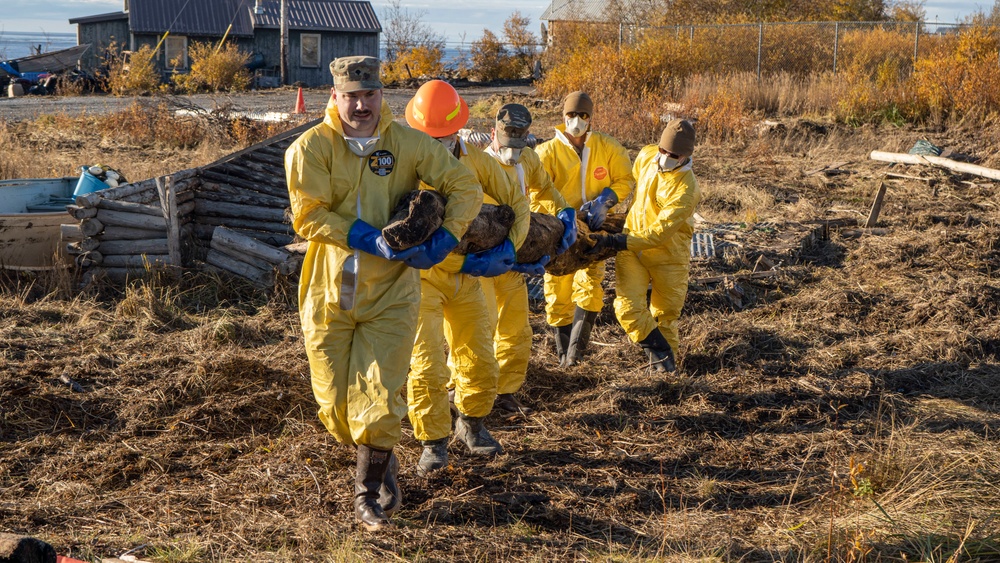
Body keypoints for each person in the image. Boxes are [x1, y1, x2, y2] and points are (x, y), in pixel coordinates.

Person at [284, 57, 482, 531]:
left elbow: (464, 184)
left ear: (381, 97)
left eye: (369, 94)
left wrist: (447, 237)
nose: (361, 105)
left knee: (378, 398)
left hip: (393, 291)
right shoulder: (309, 148)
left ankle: (367, 495)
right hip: (330, 289)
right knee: (334, 408)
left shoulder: (408, 144)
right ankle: (380, 455)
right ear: (335, 96)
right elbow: (307, 215)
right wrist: (364, 237)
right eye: (351, 95)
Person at [403, 80, 531, 475]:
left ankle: (472, 424)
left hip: (466, 282)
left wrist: (510, 247)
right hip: (419, 281)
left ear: (458, 127)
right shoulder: (405, 163)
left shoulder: (476, 160)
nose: (438, 142)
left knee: (479, 357)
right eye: (431, 136)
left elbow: (516, 200)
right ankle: (433, 441)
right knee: (427, 366)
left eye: (444, 135)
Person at [481, 103, 577, 415]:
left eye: (519, 145)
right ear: (494, 133)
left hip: (513, 262)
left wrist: (565, 212)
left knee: (516, 329)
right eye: (508, 145)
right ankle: (466, 392)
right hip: (479, 266)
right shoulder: (478, 167)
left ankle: (506, 392)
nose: (513, 152)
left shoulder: (528, 160)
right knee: (479, 329)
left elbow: (546, 189)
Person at [588, 119, 701, 373]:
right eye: (662, 150)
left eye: (672, 155)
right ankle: (660, 352)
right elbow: (634, 178)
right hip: (632, 249)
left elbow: (658, 234)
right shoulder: (648, 154)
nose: (664, 157)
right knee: (626, 308)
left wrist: (616, 241)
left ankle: (666, 375)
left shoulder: (687, 190)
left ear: (686, 156)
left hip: (668, 256)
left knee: (665, 316)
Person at [536, 92, 635, 367]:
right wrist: (561, 215)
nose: (576, 121)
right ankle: (562, 353)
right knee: (557, 292)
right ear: (562, 117)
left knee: (590, 285)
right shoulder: (546, 153)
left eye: (582, 115)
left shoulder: (607, 147)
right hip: (559, 232)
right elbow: (535, 191)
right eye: (571, 115)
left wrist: (607, 200)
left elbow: (625, 178)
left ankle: (575, 358)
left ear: (590, 118)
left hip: (595, 230)